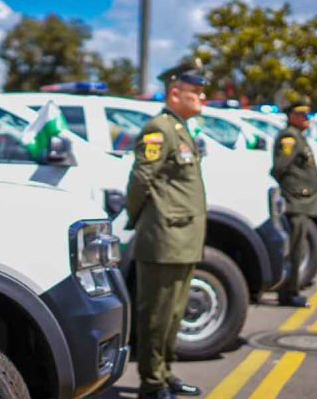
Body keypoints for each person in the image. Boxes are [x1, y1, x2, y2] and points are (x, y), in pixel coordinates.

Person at [126, 60, 207, 399]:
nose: (202, 97)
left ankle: (165, 372)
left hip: (183, 239)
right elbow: (141, 180)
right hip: (165, 239)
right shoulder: (158, 129)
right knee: (157, 316)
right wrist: (136, 219)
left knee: (174, 315)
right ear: (176, 93)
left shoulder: (180, 128)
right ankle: (152, 383)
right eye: (196, 92)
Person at [270, 100, 317, 308]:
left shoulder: (298, 136)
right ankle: (288, 293)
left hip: (301, 200)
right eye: (301, 115)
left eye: (307, 115)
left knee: (298, 247)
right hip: (295, 201)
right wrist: (291, 191)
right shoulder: (289, 137)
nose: (305, 119)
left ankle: (291, 290)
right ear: (292, 116)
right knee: (294, 249)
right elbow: (280, 166)